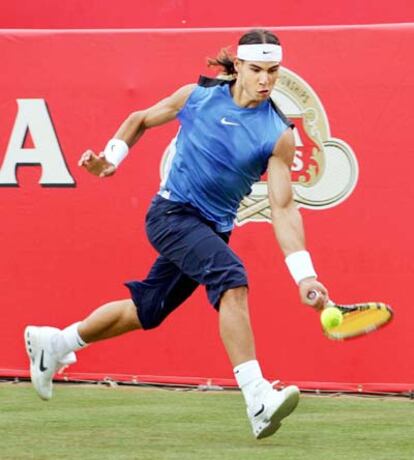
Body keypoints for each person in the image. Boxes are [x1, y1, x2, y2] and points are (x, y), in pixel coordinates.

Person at [24, 29, 328, 440]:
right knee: (232, 279)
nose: (265, 80)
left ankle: (56, 343)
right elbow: (140, 120)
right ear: (237, 66)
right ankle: (257, 397)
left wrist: (304, 274)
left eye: (273, 71)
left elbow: (283, 206)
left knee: (146, 309)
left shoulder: (278, 133)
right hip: (171, 214)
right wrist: (111, 159)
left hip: (213, 230)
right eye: (256, 69)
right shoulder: (197, 97)